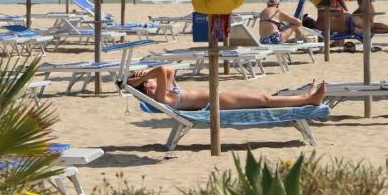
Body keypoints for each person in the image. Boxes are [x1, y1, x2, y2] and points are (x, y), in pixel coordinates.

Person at [128, 65, 326, 110]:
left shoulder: (166, 91)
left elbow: (168, 71)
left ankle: (307, 97)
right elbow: (161, 69)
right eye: (148, 77)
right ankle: (309, 99)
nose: (150, 75)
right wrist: (143, 76)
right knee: (265, 100)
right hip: (217, 101)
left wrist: (143, 75)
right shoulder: (161, 97)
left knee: (264, 97)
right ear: (147, 84)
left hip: (217, 97)